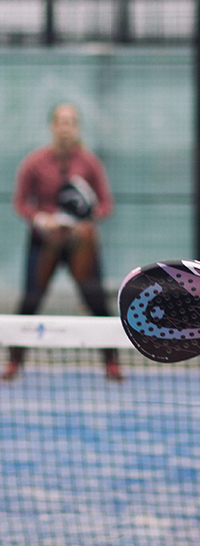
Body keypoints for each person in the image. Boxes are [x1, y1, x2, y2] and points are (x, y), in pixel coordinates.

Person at [3, 103, 122, 382]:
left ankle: (112, 364)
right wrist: (40, 219)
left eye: (71, 122)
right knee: (30, 301)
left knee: (95, 301)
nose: (66, 128)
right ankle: (14, 363)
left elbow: (105, 205)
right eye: (61, 122)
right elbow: (21, 203)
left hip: (81, 242)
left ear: (77, 127)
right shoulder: (33, 162)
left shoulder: (90, 163)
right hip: (44, 242)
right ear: (52, 126)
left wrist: (87, 223)